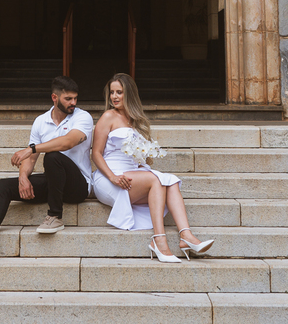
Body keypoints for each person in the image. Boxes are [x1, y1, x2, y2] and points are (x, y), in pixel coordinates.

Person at [0, 75, 94, 261]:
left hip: (78, 186)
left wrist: (32, 148)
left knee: (53, 157)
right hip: (53, 182)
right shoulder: (41, 121)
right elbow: (31, 159)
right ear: (54, 98)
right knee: (4, 186)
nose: (73, 102)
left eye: (75, 98)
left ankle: (55, 216)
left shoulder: (83, 117)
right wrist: (23, 177)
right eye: (68, 99)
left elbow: (68, 142)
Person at [91, 72, 215, 263]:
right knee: (154, 180)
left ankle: (186, 236)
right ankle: (159, 240)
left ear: (129, 94)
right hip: (109, 179)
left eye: (119, 92)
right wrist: (113, 177)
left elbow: (141, 160)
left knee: (171, 181)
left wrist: (145, 158)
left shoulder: (136, 122)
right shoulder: (108, 116)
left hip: (133, 175)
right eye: (112, 92)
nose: (114, 97)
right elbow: (96, 154)